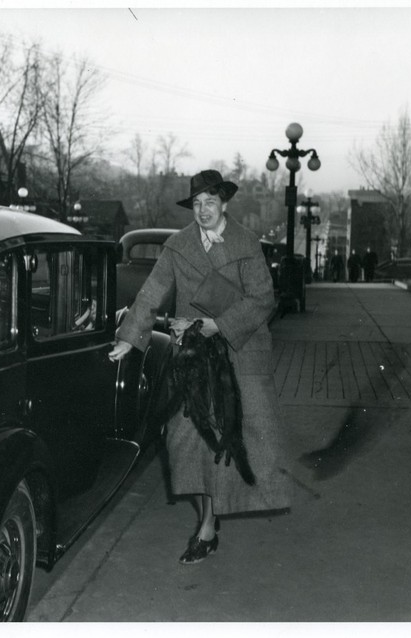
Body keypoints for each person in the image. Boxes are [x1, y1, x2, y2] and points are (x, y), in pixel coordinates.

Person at [108, 170, 290, 565]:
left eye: (210, 202)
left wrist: (218, 325)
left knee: (232, 440)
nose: (203, 210)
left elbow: (263, 299)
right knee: (183, 441)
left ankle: (207, 526)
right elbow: (152, 291)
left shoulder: (246, 244)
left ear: (224, 204)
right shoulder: (179, 245)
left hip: (238, 352)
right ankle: (207, 516)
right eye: (197, 203)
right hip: (192, 357)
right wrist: (129, 336)